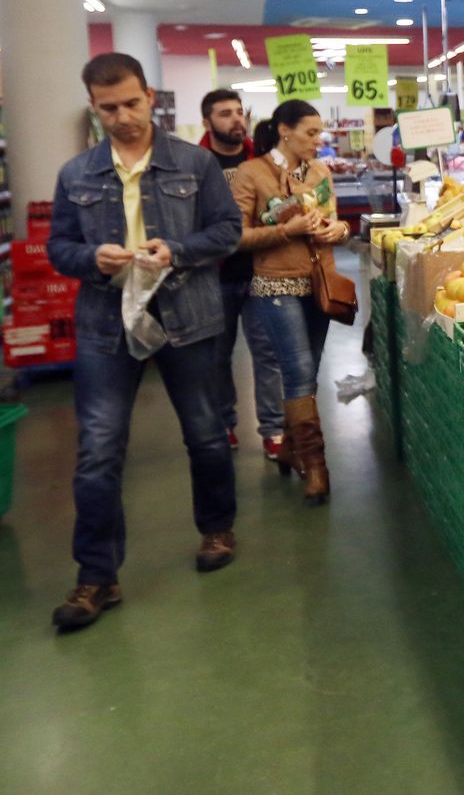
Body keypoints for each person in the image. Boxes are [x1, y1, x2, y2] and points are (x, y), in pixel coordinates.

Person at [46, 52, 242, 630]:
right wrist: (90, 258)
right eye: (109, 108)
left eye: (132, 102)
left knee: (207, 433)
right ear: (94, 107)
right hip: (107, 319)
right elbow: (59, 247)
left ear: (150, 96)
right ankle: (96, 577)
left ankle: (217, 527)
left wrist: (176, 252)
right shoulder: (75, 173)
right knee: (99, 448)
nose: (123, 116)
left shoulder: (195, 163)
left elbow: (227, 229)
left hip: (188, 311)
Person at [232, 101, 351, 506]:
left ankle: (287, 448)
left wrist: (339, 228)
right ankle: (315, 466)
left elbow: (334, 220)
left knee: (309, 371)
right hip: (275, 285)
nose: (319, 141)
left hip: (319, 282)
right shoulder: (252, 173)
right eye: (311, 133)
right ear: (285, 131)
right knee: (298, 370)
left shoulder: (321, 173)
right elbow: (235, 236)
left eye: (321, 133)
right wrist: (287, 231)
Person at [200, 89, 284, 461]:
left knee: (267, 353)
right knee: (216, 356)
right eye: (224, 114)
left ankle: (274, 429)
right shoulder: (194, 163)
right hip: (211, 275)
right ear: (207, 122)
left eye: (239, 112)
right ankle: (223, 424)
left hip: (260, 270)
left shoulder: (263, 161)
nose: (236, 120)